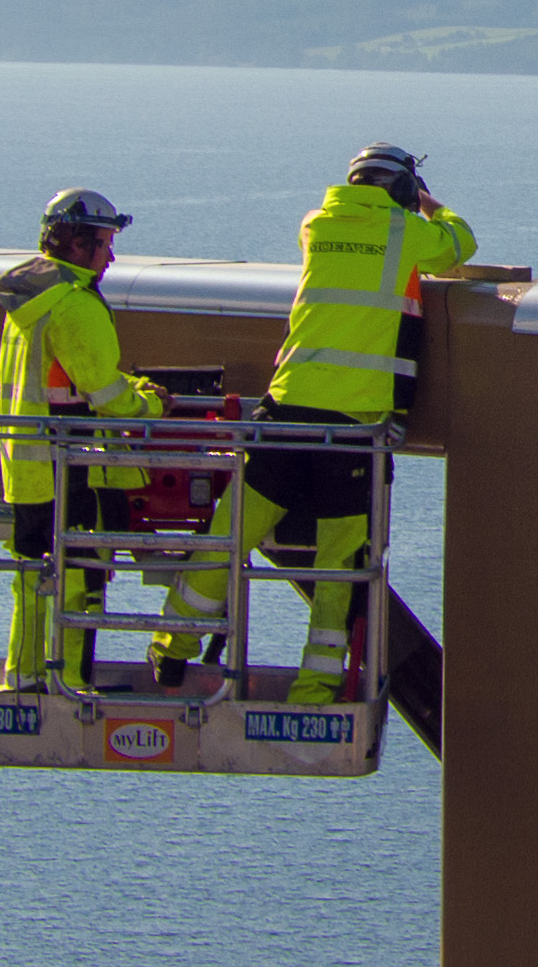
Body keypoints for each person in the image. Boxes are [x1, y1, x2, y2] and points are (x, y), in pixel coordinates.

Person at [159, 143, 477, 706]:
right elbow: (459, 244)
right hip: (353, 426)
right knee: (339, 567)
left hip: (285, 409)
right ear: (404, 190)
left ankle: (170, 648)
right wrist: (432, 204)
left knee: (228, 536)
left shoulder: (316, 224)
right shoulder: (406, 232)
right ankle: (315, 688)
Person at [0, 187, 163, 689]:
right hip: (70, 465)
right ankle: (67, 685)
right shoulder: (76, 305)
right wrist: (151, 404)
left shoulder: (31, 299)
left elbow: (68, 375)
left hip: (28, 467)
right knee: (77, 580)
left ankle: (25, 677)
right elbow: (106, 394)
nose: (111, 257)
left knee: (33, 576)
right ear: (77, 243)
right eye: (106, 244)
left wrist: (125, 385)